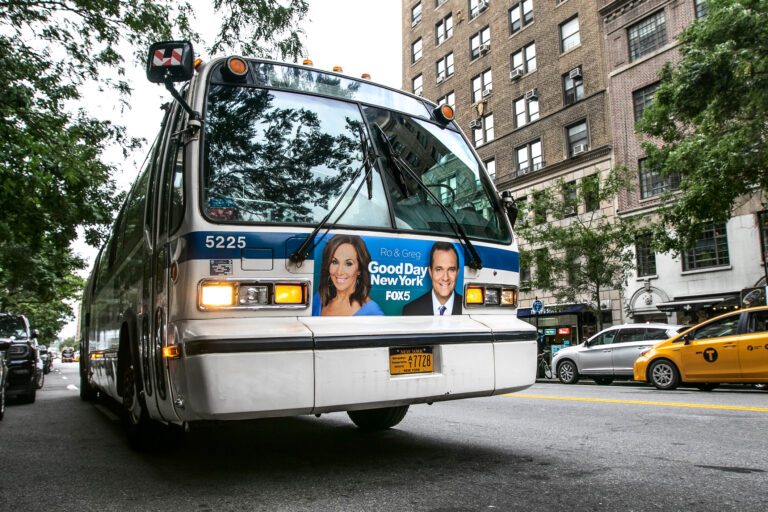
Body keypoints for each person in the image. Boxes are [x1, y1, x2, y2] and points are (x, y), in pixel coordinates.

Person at [312, 234, 384, 316]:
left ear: (359, 269)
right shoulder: (319, 298)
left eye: (348, 264)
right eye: (335, 262)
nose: (339, 272)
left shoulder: (372, 311)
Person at [402, 241, 462, 316]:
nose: (445, 278)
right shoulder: (410, 311)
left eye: (451, 269)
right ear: (430, 272)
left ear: (457, 272)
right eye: (439, 269)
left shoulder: (471, 311)